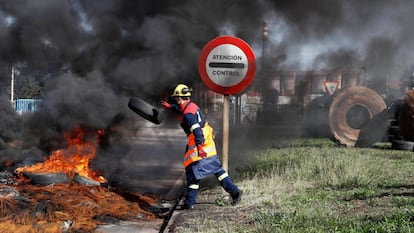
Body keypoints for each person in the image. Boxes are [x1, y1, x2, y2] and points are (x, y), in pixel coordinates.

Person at [161, 84, 242, 210]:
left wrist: (199, 148)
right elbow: (180, 109)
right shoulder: (191, 106)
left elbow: (197, 130)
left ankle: (189, 204)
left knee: (192, 173)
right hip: (207, 143)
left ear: (179, 98)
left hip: (200, 144)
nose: (176, 101)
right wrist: (170, 107)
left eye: (176, 99)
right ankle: (235, 192)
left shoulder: (188, 114)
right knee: (217, 170)